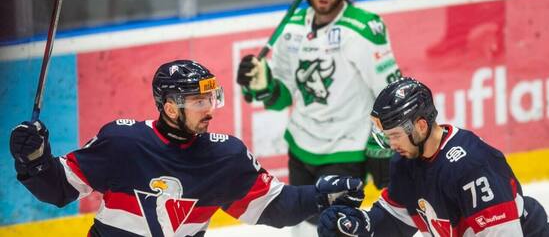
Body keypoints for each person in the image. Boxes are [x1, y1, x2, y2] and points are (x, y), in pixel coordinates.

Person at [9, 60, 365, 237]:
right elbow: (57, 189)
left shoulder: (226, 158)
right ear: (168, 107)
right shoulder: (122, 143)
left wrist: (319, 196)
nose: (210, 110)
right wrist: (34, 158)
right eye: (198, 101)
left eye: (211, 99)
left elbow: (274, 207)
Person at [236, 0, 400, 234]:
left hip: (347, 148)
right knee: (301, 224)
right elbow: (282, 99)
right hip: (301, 146)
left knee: (337, 227)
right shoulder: (292, 29)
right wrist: (264, 85)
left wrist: (381, 143)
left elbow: (390, 91)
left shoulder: (364, 28)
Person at [317, 77, 549, 236]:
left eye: (395, 135)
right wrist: (360, 225)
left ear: (421, 126)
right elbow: (396, 220)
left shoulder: (471, 166)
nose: (391, 145)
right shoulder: (405, 163)